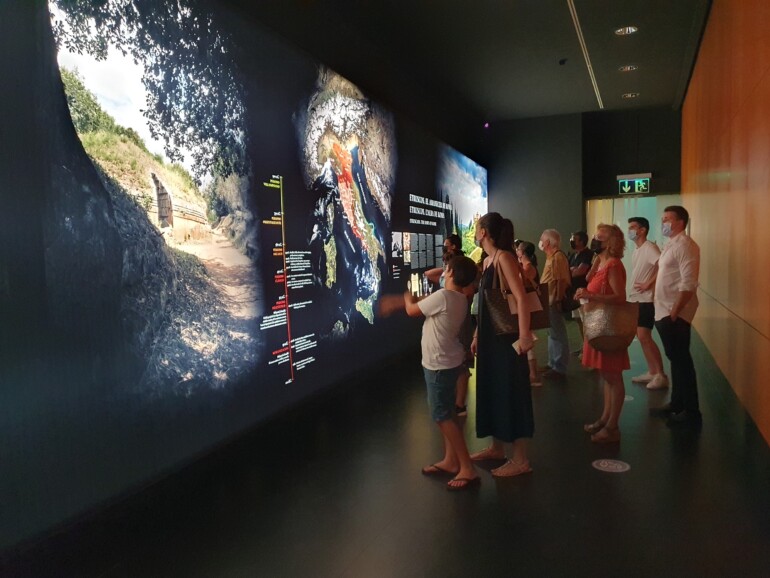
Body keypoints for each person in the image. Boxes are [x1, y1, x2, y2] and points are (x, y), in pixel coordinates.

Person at [378, 255, 481, 490]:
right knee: (449, 414)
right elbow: (427, 302)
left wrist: (405, 295)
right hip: (449, 362)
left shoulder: (444, 296)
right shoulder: (459, 297)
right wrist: (398, 302)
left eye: (446, 268)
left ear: (451, 273)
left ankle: (467, 467)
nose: (443, 270)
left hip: (438, 365)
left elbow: (413, 310)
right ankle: (451, 460)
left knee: (441, 416)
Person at [469, 212, 535, 477]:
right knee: (493, 388)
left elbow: (521, 298)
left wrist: (524, 336)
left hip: (507, 339)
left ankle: (520, 459)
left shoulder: (504, 258)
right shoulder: (488, 261)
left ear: (484, 232)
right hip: (490, 337)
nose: (475, 232)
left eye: (477, 228)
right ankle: (496, 447)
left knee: (512, 391)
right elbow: (486, 305)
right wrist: (477, 334)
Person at [575, 224, 630, 443]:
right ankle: (605, 418)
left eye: (600, 237)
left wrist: (592, 296)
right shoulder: (603, 262)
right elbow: (589, 279)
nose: (595, 240)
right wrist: (597, 261)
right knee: (606, 376)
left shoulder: (614, 265)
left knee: (613, 377)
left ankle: (613, 426)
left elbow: (620, 296)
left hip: (610, 328)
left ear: (611, 242)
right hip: (599, 325)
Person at [649, 206, 702, 426]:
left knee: (682, 361)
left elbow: (688, 282)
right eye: (662, 219)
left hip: (674, 312)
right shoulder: (671, 244)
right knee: (676, 360)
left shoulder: (685, 245)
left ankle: (691, 412)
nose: (663, 222)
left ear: (680, 222)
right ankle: (677, 403)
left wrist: (675, 311)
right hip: (664, 309)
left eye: (667, 219)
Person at [627, 217, 669, 390]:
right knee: (642, 336)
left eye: (633, 227)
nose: (629, 230)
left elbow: (662, 266)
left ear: (642, 230)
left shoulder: (650, 248)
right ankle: (653, 371)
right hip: (637, 299)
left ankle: (660, 374)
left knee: (644, 336)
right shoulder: (638, 250)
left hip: (646, 299)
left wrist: (648, 284)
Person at [538, 229, 571, 380]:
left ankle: (559, 367)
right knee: (552, 333)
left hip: (553, 300)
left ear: (548, 242)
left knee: (558, 334)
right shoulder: (551, 257)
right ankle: (552, 363)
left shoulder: (558, 257)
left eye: (542, 239)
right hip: (548, 300)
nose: (540, 242)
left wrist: (557, 299)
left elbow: (561, 281)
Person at [516, 241, 542, 387]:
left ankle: (533, 374)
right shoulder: (526, 266)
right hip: (527, 304)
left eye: (518, 249)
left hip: (528, 305)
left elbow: (522, 284)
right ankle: (531, 372)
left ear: (522, 252)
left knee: (528, 336)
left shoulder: (528, 267)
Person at [567, 231, 593, 353]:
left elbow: (580, 271)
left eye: (574, 239)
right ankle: (585, 346)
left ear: (582, 241)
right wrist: (572, 270)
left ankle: (590, 349)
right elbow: (566, 271)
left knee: (585, 320)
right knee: (578, 320)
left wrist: (573, 270)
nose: (572, 241)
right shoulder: (573, 255)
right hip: (574, 292)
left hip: (584, 292)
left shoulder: (588, 254)